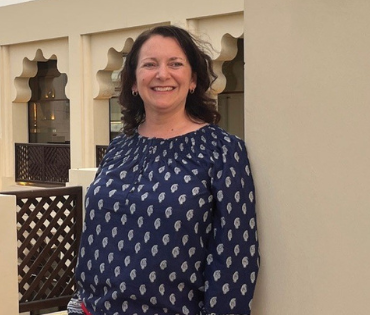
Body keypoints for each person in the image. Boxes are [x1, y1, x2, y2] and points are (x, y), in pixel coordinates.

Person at [68, 25, 259, 315]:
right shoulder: (119, 148)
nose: (162, 74)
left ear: (193, 79)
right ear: (134, 82)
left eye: (175, 64)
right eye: (150, 64)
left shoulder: (222, 150)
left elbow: (235, 256)